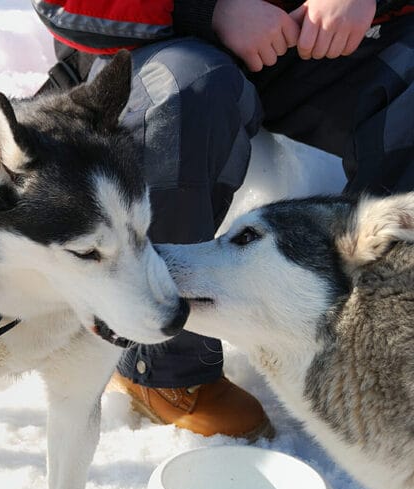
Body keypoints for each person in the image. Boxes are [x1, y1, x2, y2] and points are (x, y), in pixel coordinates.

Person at [32, 0, 414, 439]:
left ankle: (382, 342)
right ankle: (161, 366)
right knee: (188, 90)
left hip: (320, 39)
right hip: (161, 44)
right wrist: (209, 11)